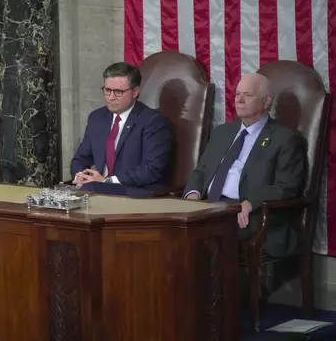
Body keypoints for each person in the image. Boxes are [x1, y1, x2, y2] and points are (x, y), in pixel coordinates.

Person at [183, 73, 306, 258]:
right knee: (171, 232)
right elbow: (202, 171)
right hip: (207, 207)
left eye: (248, 95)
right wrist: (192, 195)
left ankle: (217, 288)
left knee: (208, 236)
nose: (239, 100)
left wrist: (251, 202)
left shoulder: (285, 139)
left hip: (245, 214)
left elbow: (287, 186)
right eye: (237, 94)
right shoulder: (222, 132)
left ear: (266, 102)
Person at [70, 62, 172, 197]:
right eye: (107, 90)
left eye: (118, 92)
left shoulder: (153, 121)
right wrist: (81, 175)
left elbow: (151, 170)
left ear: (135, 92)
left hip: (134, 193)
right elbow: (80, 159)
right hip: (97, 190)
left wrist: (107, 181)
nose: (111, 97)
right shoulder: (97, 118)